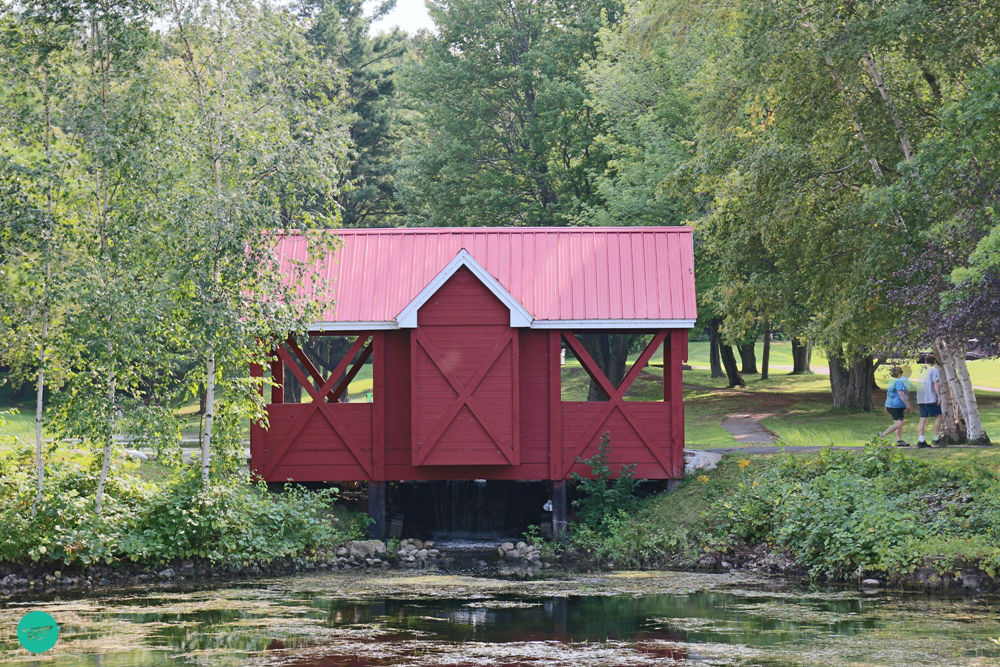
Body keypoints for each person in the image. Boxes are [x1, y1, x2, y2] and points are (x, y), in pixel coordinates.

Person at [878, 366, 911, 447]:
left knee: (897, 424)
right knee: (899, 424)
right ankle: (882, 434)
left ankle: (899, 441)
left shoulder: (891, 381)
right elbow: (901, 394)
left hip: (890, 405)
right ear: (900, 373)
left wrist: (885, 405)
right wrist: (907, 404)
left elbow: (889, 394)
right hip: (896, 406)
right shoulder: (898, 382)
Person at [917, 354, 943, 447]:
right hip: (929, 397)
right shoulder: (933, 370)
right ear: (934, 362)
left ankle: (921, 440)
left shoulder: (921, 370)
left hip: (920, 397)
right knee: (939, 416)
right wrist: (939, 396)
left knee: (923, 418)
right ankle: (935, 438)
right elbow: (935, 383)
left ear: (925, 361)